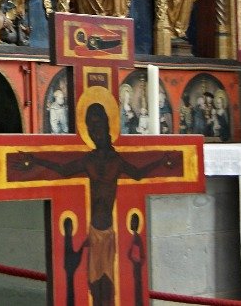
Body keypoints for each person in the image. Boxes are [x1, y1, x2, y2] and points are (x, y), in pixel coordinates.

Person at [18, 103, 177, 306]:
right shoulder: (88, 160)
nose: (95, 132)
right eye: (90, 127)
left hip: (108, 233)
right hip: (93, 232)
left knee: (108, 286)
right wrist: (36, 160)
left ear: (107, 124)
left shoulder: (116, 160)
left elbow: (138, 174)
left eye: (97, 125)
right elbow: (63, 170)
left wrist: (162, 162)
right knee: (93, 286)